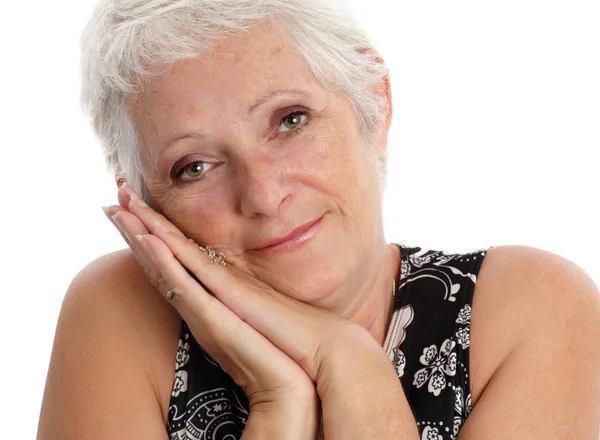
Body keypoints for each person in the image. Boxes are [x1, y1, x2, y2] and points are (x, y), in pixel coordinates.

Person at [37, 1, 600, 439]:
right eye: (195, 167)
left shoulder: (528, 308)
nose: (262, 193)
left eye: (291, 120)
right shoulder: (122, 312)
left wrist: (356, 372)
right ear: (146, 210)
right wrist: (279, 404)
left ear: (372, 105)